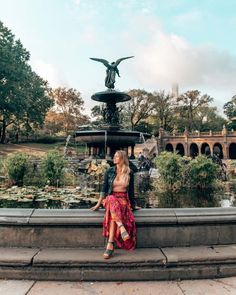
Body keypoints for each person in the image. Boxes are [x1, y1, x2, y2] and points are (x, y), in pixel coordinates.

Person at [91, 150, 136, 259]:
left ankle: (110, 244)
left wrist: (133, 205)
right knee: (111, 199)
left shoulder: (129, 172)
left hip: (123, 200)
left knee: (113, 216)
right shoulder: (109, 171)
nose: (114, 158)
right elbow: (104, 188)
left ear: (122, 158)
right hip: (111, 198)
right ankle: (121, 227)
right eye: (114, 156)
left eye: (116, 157)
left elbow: (131, 192)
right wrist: (98, 204)